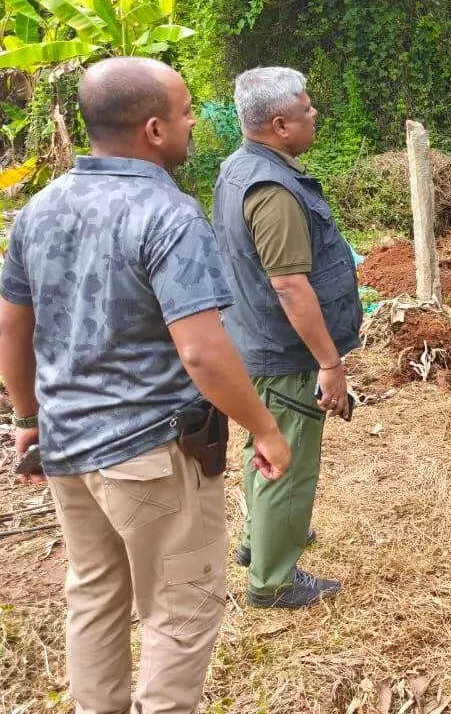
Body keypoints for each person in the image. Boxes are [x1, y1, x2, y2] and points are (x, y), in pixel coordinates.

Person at [0, 57, 292, 714]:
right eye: (187, 112)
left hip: (70, 453)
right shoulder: (168, 215)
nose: (194, 123)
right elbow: (203, 354)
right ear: (154, 129)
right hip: (150, 457)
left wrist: (29, 419)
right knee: (179, 611)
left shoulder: (40, 210)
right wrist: (266, 429)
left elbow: (12, 332)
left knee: (95, 596)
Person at [211, 66, 363, 609]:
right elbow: (291, 287)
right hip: (282, 350)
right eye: (306, 109)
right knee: (288, 461)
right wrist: (330, 362)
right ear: (279, 124)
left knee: (263, 444)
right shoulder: (273, 190)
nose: (314, 114)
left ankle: (261, 541)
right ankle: (274, 580)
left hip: (251, 338)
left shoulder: (237, 168)